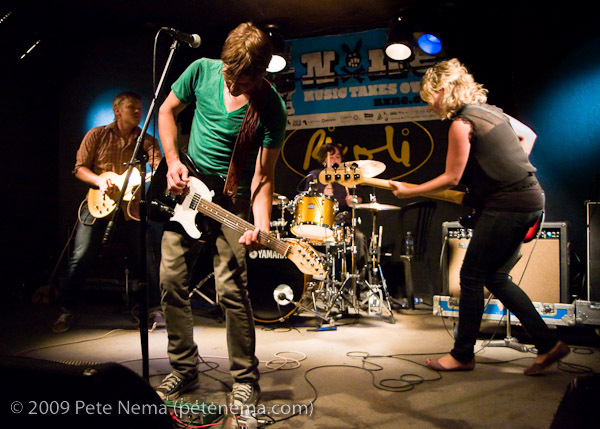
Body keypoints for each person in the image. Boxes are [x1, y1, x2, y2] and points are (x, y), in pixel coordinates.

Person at [389, 59, 570, 375]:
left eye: (429, 98)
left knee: (471, 277)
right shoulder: (493, 113)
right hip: (532, 200)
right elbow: (529, 136)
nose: (430, 106)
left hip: (507, 206)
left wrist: (409, 191)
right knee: (496, 277)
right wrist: (505, 171)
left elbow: (452, 177)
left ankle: (462, 355)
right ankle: (548, 344)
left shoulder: (462, 123)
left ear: (443, 90)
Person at [155, 22, 287, 405]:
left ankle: (245, 378)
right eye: (229, 75)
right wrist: (173, 161)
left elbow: (264, 176)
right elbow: (166, 111)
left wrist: (261, 226)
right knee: (170, 280)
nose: (232, 85)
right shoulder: (201, 71)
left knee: (232, 290)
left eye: (242, 81)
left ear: (260, 74)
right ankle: (183, 369)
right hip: (188, 193)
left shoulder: (271, 107)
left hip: (231, 205)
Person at [53, 91, 164, 333]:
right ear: (117, 110)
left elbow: (158, 168)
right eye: (132, 107)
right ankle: (67, 310)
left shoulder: (146, 141)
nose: (138, 112)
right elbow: (79, 168)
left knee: (145, 258)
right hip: (98, 205)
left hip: (130, 210)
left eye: (140, 108)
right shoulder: (97, 135)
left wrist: (157, 174)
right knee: (81, 256)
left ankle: (152, 308)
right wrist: (100, 181)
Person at [301, 143, 368, 272]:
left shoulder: (348, 176)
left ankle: (358, 275)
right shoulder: (315, 176)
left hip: (345, 227)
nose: (335, 160)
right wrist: (322, 196)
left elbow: (361, 198)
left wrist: (354, 200)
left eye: (338, 157)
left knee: (360, 238)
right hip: (321, 226)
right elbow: (307, 203)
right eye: (331, 157)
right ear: (324, 160)